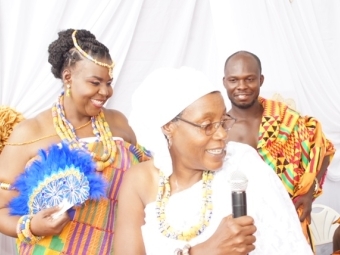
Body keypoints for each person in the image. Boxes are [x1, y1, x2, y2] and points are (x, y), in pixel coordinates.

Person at [113, 66, 313, 255]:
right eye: (207, 125)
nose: (222, 135)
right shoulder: (138, 181)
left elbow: (287, 245)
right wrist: (203, 251)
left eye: (223, 121)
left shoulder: (244, 164)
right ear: (167, 126)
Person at [0, 28, 151, 255]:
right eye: (95, 82)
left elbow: (144, 181)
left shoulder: (119, 123)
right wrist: (32, 225)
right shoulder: (30, 132)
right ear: (68, 77)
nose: (105, 91)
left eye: (108, 83)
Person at [222, 50, 336, 252]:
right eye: (234, 80)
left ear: (261, 80)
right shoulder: (218, 129)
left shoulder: (286, 118)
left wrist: (310, 192)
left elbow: (324, 149)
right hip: (243, 227)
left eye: (249, 79)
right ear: (224, 82)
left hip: (290, 220)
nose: (242, 86)